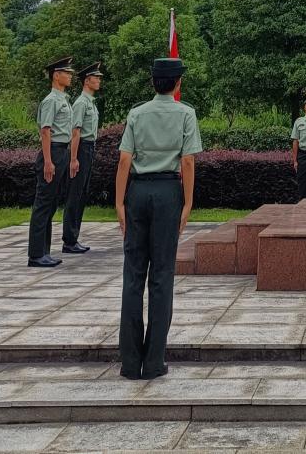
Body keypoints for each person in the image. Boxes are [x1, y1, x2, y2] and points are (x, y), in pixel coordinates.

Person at [116, 56, 202, 380]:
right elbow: (188, 162)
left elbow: (125, 160)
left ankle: (129, 362)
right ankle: (153, 361)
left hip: (137, 191)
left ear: (153, 83)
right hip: (168, 193)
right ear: (177, 84)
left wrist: (119, 202)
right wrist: (188, 203)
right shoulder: (186, 114)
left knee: (133, 276)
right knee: (162, 276)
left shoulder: (137, 114)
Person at [27, 55, 76, 267]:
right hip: (53, 152)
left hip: (62, 151)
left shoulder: (63, 99)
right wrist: (48, 161)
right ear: (56, 75)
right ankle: (36, 254)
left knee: (51, 203)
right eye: (67, 73)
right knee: (43, 204)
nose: (70, 76)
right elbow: (45, 131)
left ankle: (44, 251)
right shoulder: (51, 101)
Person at [62, 60, 105, 254]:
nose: (99, 80)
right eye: (96, 78)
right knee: (75, 194)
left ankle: (74, 237)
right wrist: (73, 159)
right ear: (87, 81)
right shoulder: (81, 103)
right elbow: (76, 132)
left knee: (81, 194)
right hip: (81, 149)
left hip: (88, 148)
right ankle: (69, 240)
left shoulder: (90, 102)